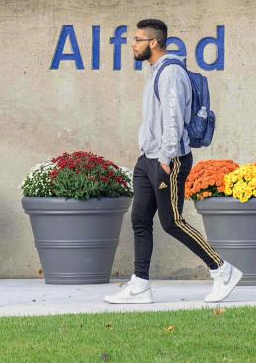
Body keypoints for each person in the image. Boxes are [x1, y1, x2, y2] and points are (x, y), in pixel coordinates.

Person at [104, 18, 242, 304]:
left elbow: (173, 117)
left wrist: (166, 157)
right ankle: (140, 284)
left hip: (169, 159)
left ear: (154, 42)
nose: (133, 44)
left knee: (173, 222)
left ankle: (222, 270)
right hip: (148, 158)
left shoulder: (171, 72)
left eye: (138, 39)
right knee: (140, 219)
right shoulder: (156, 71)